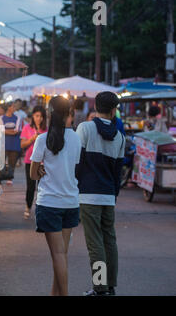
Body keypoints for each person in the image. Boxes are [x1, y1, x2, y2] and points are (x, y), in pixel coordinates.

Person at [30, 96, 81, 296]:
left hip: (50, 203)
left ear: (50, 115)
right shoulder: (77, 138)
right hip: (70, 202)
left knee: (58, 255)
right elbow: (71, 167)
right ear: (69, 114)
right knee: (61, 255)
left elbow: (33, 173)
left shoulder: (42, 139)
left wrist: (42, 170)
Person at [76, 91, 125, 296]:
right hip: (108, 195)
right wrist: (113, 194)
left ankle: (100, 287)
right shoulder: (120, 137)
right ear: (114, 111)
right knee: (109, 240)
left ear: (95, 107)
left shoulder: (85, 128)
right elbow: (118, 173)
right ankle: (110, 285)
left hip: (88, 195)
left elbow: (76, 162)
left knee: (94, 243)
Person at [20, 105, 47, 219]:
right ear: (33, 116)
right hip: (29, 160)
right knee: (31, 186)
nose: (39, 118)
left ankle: (40, 209)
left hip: (43, 161)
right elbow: (22, 145)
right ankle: (28, 206)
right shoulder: (27, 128)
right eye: (37, 116)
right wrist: (33, 138)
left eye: (41, 116)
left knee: (42, 186)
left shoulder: (46, 129)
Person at [0, 102, 22, 185]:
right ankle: (1, 176)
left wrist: (6, 131)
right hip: (3, 143)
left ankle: (10, 178)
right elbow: (1, 130)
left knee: (12, 161)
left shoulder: (18, 117)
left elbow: (17, 130)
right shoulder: (1, 118)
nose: (14, 108)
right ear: (9, 108)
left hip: (14, 143)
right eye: (13, 106)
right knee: (2, 161)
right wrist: (11, 131)